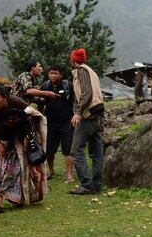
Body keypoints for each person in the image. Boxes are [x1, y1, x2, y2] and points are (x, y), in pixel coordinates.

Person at [0, 84, 49, 213]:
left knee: (13, 170)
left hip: (16, 140)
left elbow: (32, 115)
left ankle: (15, 197)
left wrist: (27, 137)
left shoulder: (16, 102)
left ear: (5, 97)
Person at [69, 48, 105, 195]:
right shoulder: (92, 71)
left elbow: (87, 93)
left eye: (70, 58)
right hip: (98, 112)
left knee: (76, 150)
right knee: (96, 152)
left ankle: (87, 185)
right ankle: (96, 184)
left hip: (88, 114)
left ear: (73, 60)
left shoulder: (81, 71)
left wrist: (78, 112)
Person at [41, 64, 75, 182]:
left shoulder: (67, 86)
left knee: (68, 149)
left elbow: (74, 101)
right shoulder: (45, 86)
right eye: (51, 73)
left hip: (67, 122)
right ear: (48, 74)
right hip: (51, 123)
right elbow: (41, 103)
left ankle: (70, 174)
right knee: (49, 150)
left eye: (56, 73)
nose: (53, 75)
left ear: (61, 74)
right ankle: (50, 170)